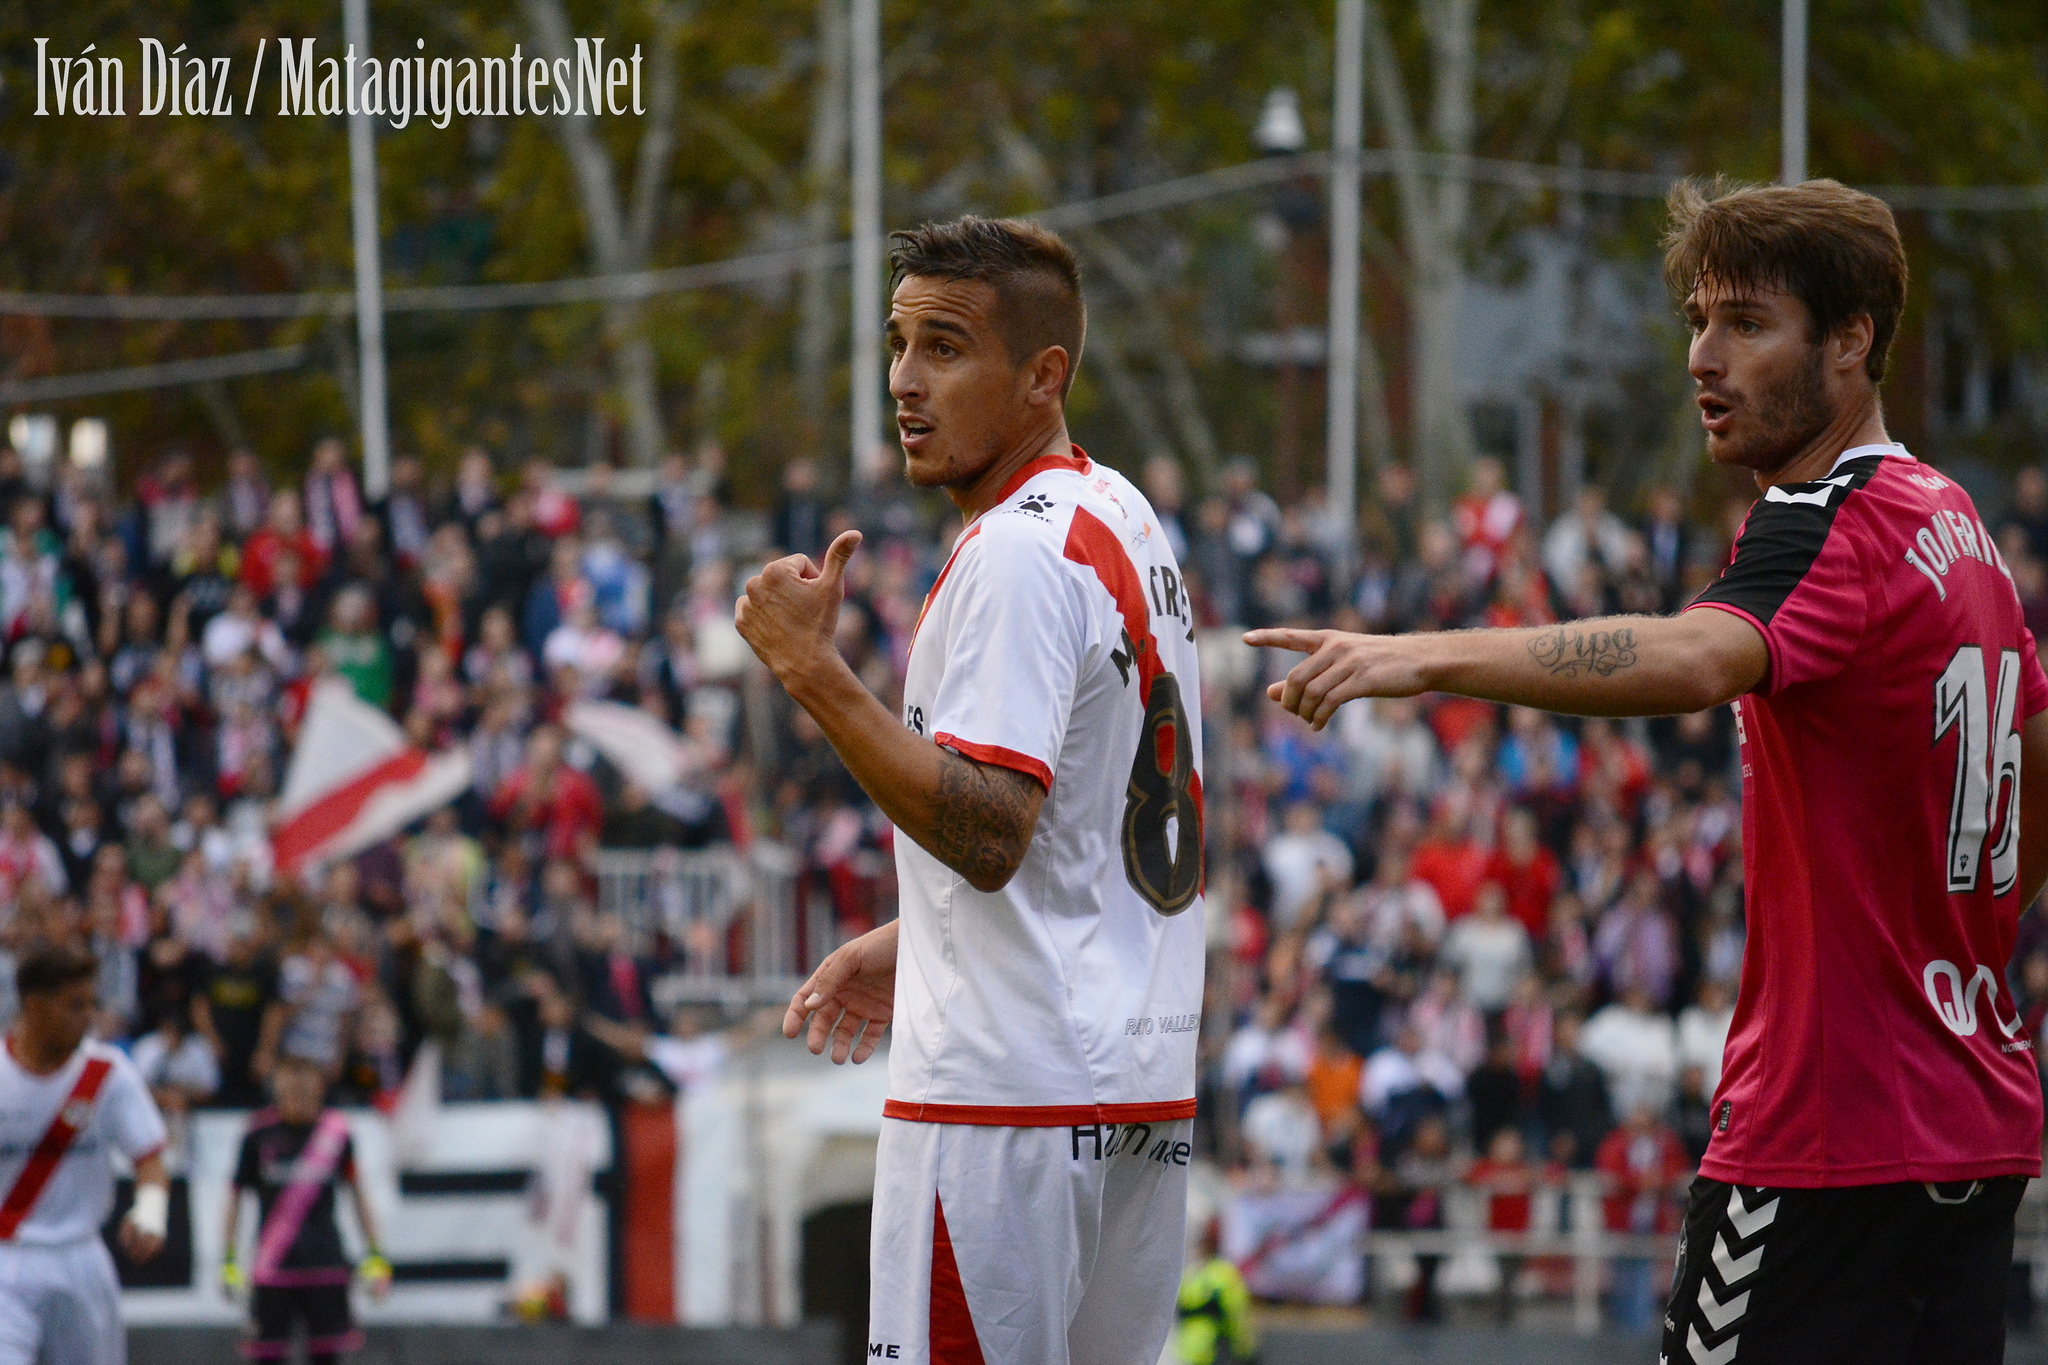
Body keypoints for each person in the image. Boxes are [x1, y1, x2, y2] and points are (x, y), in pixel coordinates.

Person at [1249, 178, 2048, 1364]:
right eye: (1695, 320)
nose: (1702, 358)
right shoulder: (1959, 529)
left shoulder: (1824, 515)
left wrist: (1422, 656)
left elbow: (1688, 658)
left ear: (1850, 341)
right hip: (1971, 1128)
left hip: (1823, 1134)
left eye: (1744, 322)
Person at [741, 216, 1205, 1364]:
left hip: (1001, 1110)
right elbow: (1082, 831)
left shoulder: (1010, 553)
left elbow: (993, 831)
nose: (903, 381)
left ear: (1043, 375)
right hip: (1134, 1096)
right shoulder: (1122, 516)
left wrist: (811, 672)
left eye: (943, 348)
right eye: (896, 345)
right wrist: (922, 937)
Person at [0, 943, 171, 1365]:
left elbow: (150, 1159)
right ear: (34, 1007)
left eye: (90, 1005)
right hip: (6, 1261)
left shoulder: (108, 1074)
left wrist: (149, 1213)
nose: (87, 1018)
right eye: (73, 1006)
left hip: (82, 1258)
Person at [222, 1055, 390, 1364]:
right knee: (267, 1356)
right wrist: (228, 1260)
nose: (299, 1090)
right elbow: (234, 1197)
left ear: (320, 1088)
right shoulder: (257, 1134)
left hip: (325, 1264)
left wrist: (375, 1253)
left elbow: (357, 1195)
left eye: (306, 1083)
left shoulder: (337, 1133)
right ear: (277, 1087)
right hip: (273, 1268)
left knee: (326, 1356)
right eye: (290, 1082)